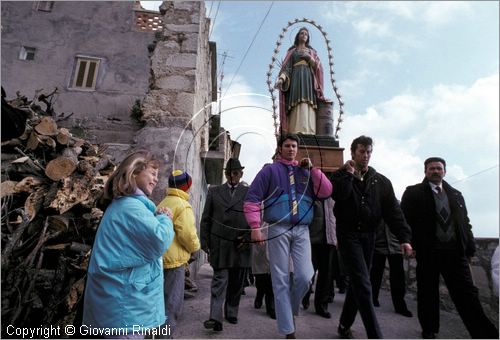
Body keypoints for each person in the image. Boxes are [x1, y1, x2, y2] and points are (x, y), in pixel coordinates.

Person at [244, 133, 332, 338]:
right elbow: (253, 198)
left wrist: (313, 170)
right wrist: (255, 226)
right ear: (280, 148)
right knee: (280, 279)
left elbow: (326, 191)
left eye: (294, 146)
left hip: (302, 230)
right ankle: (288, 329)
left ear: (298, 149)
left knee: (305, 275)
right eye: (287, 145)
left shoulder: (306, 172)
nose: (291, 149)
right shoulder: (269, 171)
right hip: (277, 228)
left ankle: (289, 309)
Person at [401, 157, 499, 339]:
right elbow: (404, 221)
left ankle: (484, 334)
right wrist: (408, 242)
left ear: (444, 171)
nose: (436, 171)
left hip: (455, 253)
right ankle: (429, 330)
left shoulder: (456, 194)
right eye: (432, 169)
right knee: (427, 292)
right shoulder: (413, 193)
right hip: (428, 251)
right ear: (425, 171)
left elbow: (465, 224)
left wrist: (469, 249)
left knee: (468, 295)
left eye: (439, 168)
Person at [83, 150, 175, 338]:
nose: (156, 179)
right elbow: (159, 240)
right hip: (124, 306)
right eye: (152, 173)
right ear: (134, 173)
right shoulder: (131, 208)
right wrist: (165, 219)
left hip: (121, 303)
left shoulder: (127, 206)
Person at [330, 135, 412, 339]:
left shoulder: (381, 182)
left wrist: (404, 238)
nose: (366, 156)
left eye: (369, 152)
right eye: (361, 151)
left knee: (359, 283)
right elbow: (339, 196)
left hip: (369, 236)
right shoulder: (340, 176)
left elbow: (393, 211)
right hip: (348, 235)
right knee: (364, 284)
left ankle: (344, 325)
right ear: (353, 153)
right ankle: (375, 335)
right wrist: (348, 174)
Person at [200, 158, 252, 332]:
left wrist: (247, 237)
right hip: (220, 245)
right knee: (219, 282)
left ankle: (231, 311)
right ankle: (215, 317)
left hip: (240, 245)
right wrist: (205, 242)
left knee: (237, 283)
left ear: (241, 174)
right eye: (229, 173)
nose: (232, 177)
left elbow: (255, 219)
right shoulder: (214, 192)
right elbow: (206, 219)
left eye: (235, 173)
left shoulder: (249, 192)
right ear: (225, 174)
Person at [157, 170, 200, 336]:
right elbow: (188, 234)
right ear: (186, 187)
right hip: (174, 262)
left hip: (160, 258)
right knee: (172, 303)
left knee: (160, 301)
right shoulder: (183, 205)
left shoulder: (163, 203)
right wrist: (195, 249)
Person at [275, 27, 326, 135]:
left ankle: (310, 131)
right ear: (297, 36)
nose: (303, 35)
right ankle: (294, 130)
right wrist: (281, 79)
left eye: (306, 34)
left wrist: (309, 58)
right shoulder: (292, 52)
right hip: (295, 79)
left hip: (308, 79)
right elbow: (287, 68)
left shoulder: (312, 52)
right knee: (296, 102)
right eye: (301, 33)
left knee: (308, 102)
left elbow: (319, 67)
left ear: (308, 38)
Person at [301, 197, 336, 319]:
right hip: (312, 240)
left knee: (326, 274)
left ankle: (321, 305)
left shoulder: (334, 195)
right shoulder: (311, 193)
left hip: (329, 240)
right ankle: (304, 296)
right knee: (308, 272)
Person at [370, 220, 413, 317]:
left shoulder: (395, 206)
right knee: (375, 274)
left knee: (398, 277)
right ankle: (372, 300)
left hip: (395, 244)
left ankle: (400, 306)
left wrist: (406, 240)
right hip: (378, 242)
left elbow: (402, 222)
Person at [252, 221, 276, 320]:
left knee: (273, 273)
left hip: (277, 232)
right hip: (261, 231)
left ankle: (271, 305)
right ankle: (260, 292)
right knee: (260, 273)